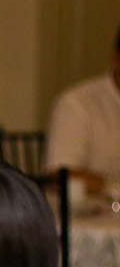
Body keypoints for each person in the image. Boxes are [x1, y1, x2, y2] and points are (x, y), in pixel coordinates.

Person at [46, 23, 120, 188]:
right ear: (116, 58)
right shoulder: (78, 103)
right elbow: (62, 174)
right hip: (92, 204)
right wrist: (113, 185)